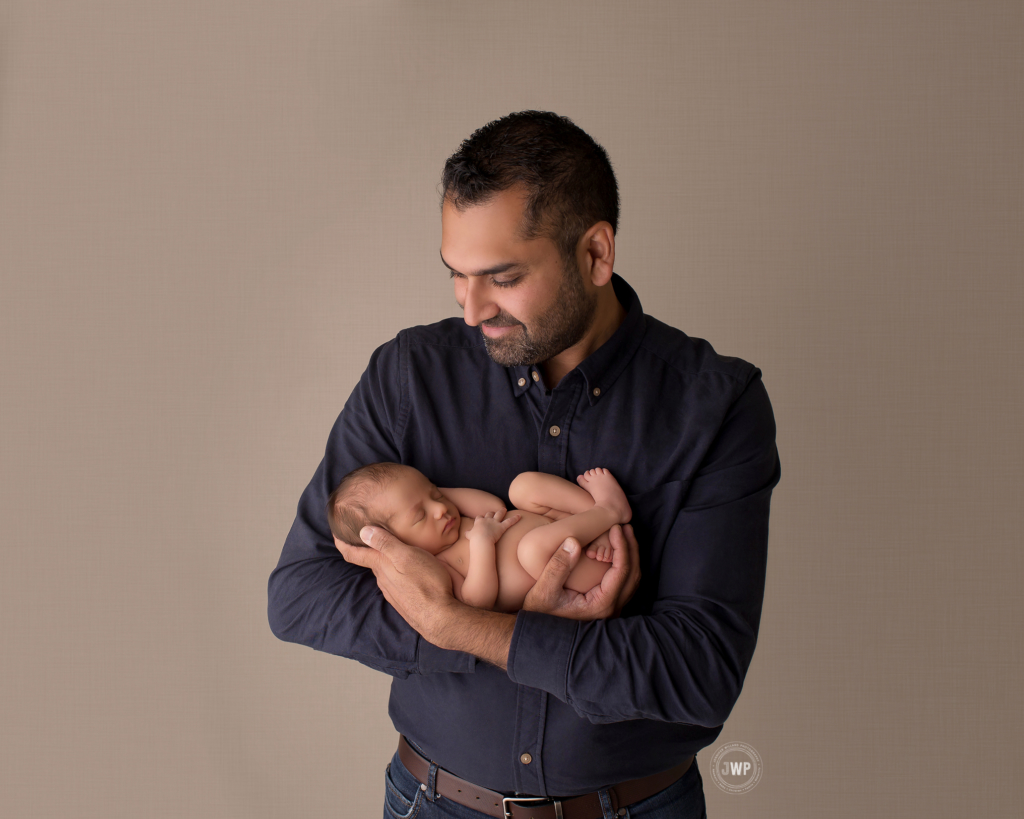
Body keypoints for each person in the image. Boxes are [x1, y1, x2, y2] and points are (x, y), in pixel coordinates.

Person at [269, 110, 781, 819]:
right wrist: (496, 624)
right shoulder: (410, 377)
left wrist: (473, 628)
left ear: (596, 254)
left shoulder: (713, 405)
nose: (472, 308)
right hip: (432, 802)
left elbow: (698, 673)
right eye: (456, 275)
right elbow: (301, 595)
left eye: (502, 277)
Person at [327, 462, 633, 612]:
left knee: (521, 488)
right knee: (532, 549)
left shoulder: (452, 517)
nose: (439, 509)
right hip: (572, 574)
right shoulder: (434, 563)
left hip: (567, 531)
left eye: (435, 493)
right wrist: (483, 544)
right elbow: (477, 599)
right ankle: (610, 512)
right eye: (419, 515)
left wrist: (423, 494)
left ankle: (599, 520)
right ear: (394, 543)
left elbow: (494, 507)